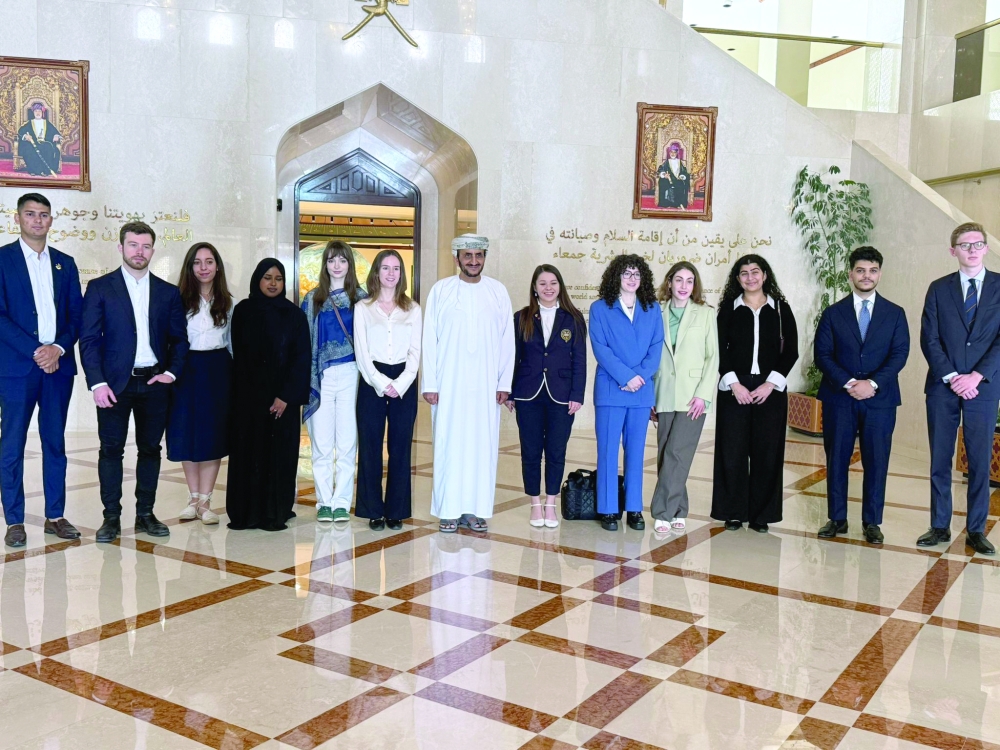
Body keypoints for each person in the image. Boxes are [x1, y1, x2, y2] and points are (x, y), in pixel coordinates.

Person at [80, 222, 189, 543]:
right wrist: (97, 383)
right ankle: (111, 517)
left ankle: (145, 514)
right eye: (133, 245)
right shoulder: (100, 288)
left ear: (153, 250)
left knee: (150, 450)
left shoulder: (168, 293)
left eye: (145, 246)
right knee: (110, 450)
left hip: (154, 383)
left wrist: (170, 373)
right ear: (121, 248)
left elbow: (179, 340)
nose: (139, 252)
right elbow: (88, 340)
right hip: (114, 385)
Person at [0, 193, 83, 548]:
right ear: (17, 219)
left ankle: (55, 515)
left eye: (44, 215)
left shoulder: (66, 263)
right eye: (30, 214)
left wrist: (58, 348)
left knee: (55, 443)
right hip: (18, 370)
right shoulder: (2, 260)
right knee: (12, 445)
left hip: (57, 369)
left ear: (51, 221)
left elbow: (76, 318)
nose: (38, 220)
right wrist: (37, 351)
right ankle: (15, 520)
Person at [816, 247, 910, 545]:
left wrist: (871, 383)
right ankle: (837, 518)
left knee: (876, 460)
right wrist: (848, 383)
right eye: (860, 270)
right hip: (839, 398)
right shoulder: (833, 313)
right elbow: (823, 355)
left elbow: (899, 354)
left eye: (872, 270)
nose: (866, 276)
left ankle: (872, 522)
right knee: (837, 458)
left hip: (880, 400)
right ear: (850, 274)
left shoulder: (895, 313)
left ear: (879, 274)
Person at [422, 234, 515, 533]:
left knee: (481, 446)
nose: (473, 261)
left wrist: (504, 381)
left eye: (478, 255)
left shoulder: (498, 292)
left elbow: (507, 342)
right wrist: (431, 383)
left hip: (487, 386)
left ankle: (475, 510)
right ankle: (448, 510)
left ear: (485, 257)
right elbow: (430, 341)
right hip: (449, 384)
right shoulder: (441, 291)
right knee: (449, 445)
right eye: (467, 255)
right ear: (457, 258)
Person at [919, 222, 1000, 554]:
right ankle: (939, 526)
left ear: (985, 248)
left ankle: (976, 529)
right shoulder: (938, 288)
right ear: (953, 251)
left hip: (984, 387)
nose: (971, 250)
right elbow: (930, 338)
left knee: (980, 459)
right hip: (943, 387)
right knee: (941, 457)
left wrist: (977, 376)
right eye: (964, 245)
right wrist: (953, 376)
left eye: (977, 244)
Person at [712, 254, 798, 533]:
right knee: (732, 451)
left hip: (769, 391)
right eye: (744, 273)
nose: (750, 277)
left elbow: (791, 351)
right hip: (733, 389)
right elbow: (717, 350)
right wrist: (733, 384)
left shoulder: (781, 309)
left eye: (755, 272)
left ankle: (762, 515)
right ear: (737, 279)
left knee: (767, 452)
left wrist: (770, 384)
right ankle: (733, 511)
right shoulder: (728, 309)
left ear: (765, 275)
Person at [227, 259, 311, 532]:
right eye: (267, 277)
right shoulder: (242, 311)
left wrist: (285, 397)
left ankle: (275, 512)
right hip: (248, 401)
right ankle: (245, 514)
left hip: (281, 404)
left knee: (278, 457)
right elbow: (237, 357)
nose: (273, 283)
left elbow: (301, 360)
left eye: (279, 278)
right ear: (257, 280)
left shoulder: (295, 316)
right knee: (248, 454)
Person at [589, 254, 664, 532]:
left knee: (636, 452)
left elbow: (656, 349)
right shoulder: (600, 309)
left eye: (636, 274)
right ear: (615, 278)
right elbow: (601, 349)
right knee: (607, 451)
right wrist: (626, 376)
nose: (632, 279)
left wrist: (639, 377)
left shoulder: (652, 308)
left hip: (640, 392)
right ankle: (608, 508)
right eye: (626, 274)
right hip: (611, 389)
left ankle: (634, 508)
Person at [510, 264, 586, 528]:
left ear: (560, 286)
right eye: (542, 283)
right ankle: (534, 503)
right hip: (527, 394)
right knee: (530, 451)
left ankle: (551, 503)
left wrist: (577, 394)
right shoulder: (521, 318)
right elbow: (512, 358)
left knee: (556, 450)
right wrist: (510, 391)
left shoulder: (573, 318)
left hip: (562, 395)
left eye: (553, 282)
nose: (548, 288)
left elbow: (580, 361)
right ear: (534, 287)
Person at [166, 242, 234, 526]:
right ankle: (192, 498)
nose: (203, 267)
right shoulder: (177, 299)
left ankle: (206, 500)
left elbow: (231, 343)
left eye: (208, 261)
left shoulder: (227, 301)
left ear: (217, 266)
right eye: (197, 262)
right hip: (186, 368)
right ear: (189, 267)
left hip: (218, 368)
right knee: (186, 431)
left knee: (211, 434)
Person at [354, 249, 421, 531]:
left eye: (396, 268)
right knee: (370, 447)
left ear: (401, 274)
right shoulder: (363, 308)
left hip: (404, 380)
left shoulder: (413, 309)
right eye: (385, 268)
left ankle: (396, 510)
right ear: (376, 273)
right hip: (372, 382)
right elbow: (362, 353)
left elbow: (416, 352)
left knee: (400, 447)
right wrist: (382, 383)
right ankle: (373, 510)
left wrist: (401, 384)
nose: (391, 273)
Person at [302, 241, 367, 525]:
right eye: (331, 260)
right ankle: (323, 502)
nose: (337, 265)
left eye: (342, 260)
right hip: (322, 377)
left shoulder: (362, 299)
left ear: (350, 265)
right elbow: (304, 342)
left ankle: (342, 502)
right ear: (325, 265)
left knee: (348, 441)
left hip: (352, 373)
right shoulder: (312, 299)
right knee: (322, 443)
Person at [650, 262, 718, 535]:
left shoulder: (705, 314)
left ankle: (662, 511)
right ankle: (679, 508)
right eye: (679, 280)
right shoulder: (656, 312)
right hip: (663, 392)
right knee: (667, 453)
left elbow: (712, 358)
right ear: (669, 283)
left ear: (695, 286)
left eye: (689, 281)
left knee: (678, 452)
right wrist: (649, 398)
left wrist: (703, 395)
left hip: (693, 397)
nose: (683, 286)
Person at [17, 103, 62, 177]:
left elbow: (55, 132)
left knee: (48, 148)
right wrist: (26, 136)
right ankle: (33, 170)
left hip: (45, 143)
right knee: (28, 149)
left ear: (42, 112)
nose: (38, 113)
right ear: (33, 113)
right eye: (36, 111)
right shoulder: (29, 123)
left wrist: (56, 136)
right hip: (33, 143)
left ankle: (45, 171)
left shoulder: (46, 123)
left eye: (39, 111)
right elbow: (20, 132)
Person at [656, 143, 690, 209]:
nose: (673, 154)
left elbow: (684, 172)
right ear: (669, 153)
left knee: (681, 184)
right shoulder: (666, 162)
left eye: (674, 152)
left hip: (678, 180)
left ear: (677, 153)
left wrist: (682, 176)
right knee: (663, 182)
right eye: (671, 152)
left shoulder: (680, 162)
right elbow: (661, 169)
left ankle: (679, 204)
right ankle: (666, 203)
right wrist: (664, 175)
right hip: (668, 179)